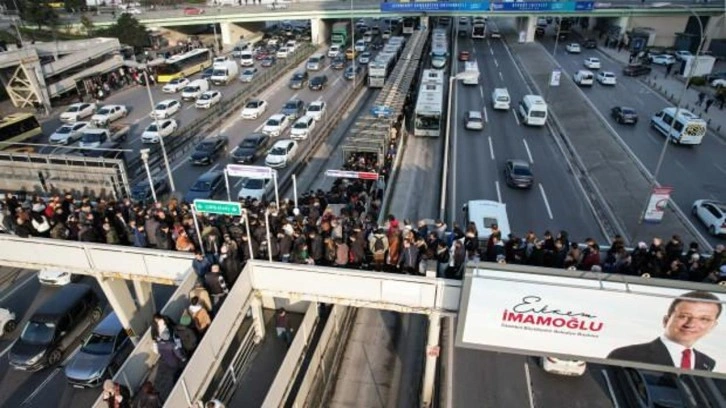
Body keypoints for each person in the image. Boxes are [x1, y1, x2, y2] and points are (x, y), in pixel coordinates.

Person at [607, 290, 721, 371]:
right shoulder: (627, 354)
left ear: (712, 326)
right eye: (684, 316)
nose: (691, 324)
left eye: (704, 319)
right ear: (666, 320)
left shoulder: (707, 363)